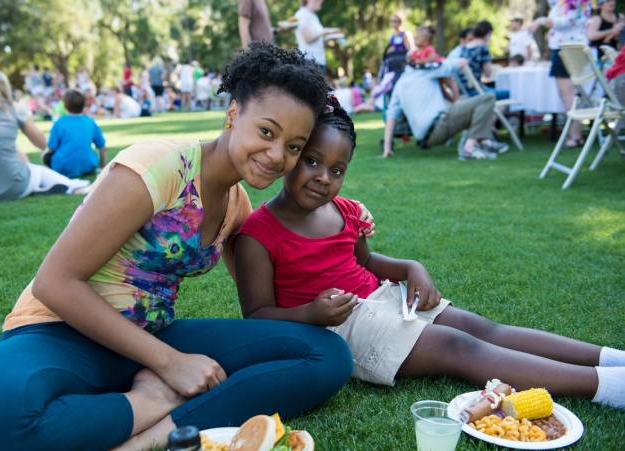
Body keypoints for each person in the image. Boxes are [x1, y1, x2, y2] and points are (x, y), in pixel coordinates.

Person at [0, 42, 353, 451]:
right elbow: (54, 283)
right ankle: (150, 401)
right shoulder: (159, 166)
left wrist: (345, 225)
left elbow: (263, 305)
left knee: (326, 356)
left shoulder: (238, 206)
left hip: (154, 336)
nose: (276, 155)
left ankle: (152, 438)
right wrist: (170, 365)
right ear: (233, 114)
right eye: (267, 132)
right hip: (62, 333)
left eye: (294, 146)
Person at [235, 96, 625, 409]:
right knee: (460, 347)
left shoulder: (345, 210)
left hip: (387, 297)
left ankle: (610, 357)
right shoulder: (258, 234)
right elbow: (257, 317)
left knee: (483, 328)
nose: (323, 177)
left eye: (337, 170)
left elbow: (366, 262)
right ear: (291, 153)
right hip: (339, 326)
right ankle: (606, 386)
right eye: (312, 161)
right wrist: (309, 313)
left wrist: (411, 268)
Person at [0, 68, 89, 202]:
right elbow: (41, 142)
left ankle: (41, 187)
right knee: (36, 170)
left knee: (15, 151)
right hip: (15, 187)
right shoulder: (13, 108)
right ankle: (71, 186)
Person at [381, 58, 507, 159]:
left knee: (469, 105)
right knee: (487, 98)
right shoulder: (425, 71)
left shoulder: (398, 86)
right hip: (440, 123)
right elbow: (458, 63)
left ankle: (485, 142)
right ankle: (469, 147)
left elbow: (390, 117)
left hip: (428, 139)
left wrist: (387, 149)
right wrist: (462, 60)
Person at [534, 0, 592, 148]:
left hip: (566, 47)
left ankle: (575, 135)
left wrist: (540, 20)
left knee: (568, 95)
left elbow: (566, 21)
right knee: (568, 95)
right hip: (572, 46)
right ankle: (575, 133)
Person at [43, 89, 107, 178]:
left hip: (62, 167)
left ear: (65, 106)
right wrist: (103, 165)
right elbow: (102, 146)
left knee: (45, 155)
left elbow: (51, 148)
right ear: (83, 105)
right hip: (88, 166)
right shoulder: (90, 122)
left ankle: (50, 175)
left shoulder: (59, 123)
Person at [458, 21, 510, 100]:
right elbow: (488, 74)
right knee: (510, 93)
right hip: (477, 92)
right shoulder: (483, 48)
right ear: (488, 33)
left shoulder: (464, 48)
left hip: (464, 90)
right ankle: (494, 112)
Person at [294, 0, 341, 72]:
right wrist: (325, 31)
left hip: (319, 62)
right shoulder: (301, 14)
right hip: (309, 62)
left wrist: (333, 36)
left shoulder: (314, 16)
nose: (321, 1)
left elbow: (318, 39)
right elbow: (308, 38)